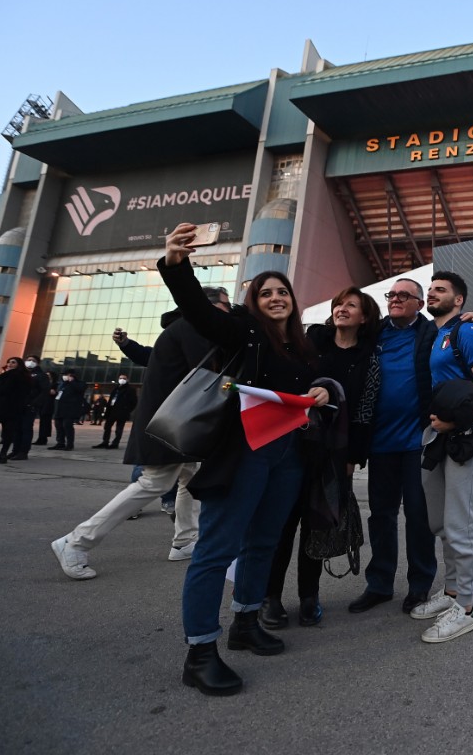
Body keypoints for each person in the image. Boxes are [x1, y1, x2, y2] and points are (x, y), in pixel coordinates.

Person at [161, 222, 331, 697]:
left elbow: (319, 385)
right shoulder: (242, 332)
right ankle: (199, 652)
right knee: (216, 550)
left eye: (283, 292)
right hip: (243, 454)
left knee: (264, 543)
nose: (276, 297)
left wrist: (324, 388)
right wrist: (178, 262)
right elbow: (196, 309)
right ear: (253, 301)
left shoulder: (302, 344)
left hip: (288, 455)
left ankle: (246, 621)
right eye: (266, 293)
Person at [49, 288, 231, 582]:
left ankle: (185, 540)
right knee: (154, 482)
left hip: (173, 421)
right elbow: (212, 373)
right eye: (227, 305)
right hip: (171, 423)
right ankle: (76, 541)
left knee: (190, 476)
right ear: (210, 305)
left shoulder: (183, 328)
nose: (230, 312)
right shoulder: (194, 327)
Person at [261, 286, 381, 630]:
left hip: (333, 454)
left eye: (351, 305)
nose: (342, 309)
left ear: (364, 316)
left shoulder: (369, 356)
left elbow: (364, 409)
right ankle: (269, 598)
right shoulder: (313, 340)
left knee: (316, 526)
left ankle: (309, 596)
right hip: (293, 444)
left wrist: (354, 457)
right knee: (282, 525)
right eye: (339, 304)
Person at [408, 270, 473, 643]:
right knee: (441, 521)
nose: (432, 294)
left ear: (458, 300)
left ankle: (466, 607)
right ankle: (450, 594)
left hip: (466, 435)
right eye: (429, 290)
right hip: (440, 435)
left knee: (461, 524)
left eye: (440, 290)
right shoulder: (437, 335)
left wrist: (454, 423)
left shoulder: (467, 332)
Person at [346, 277, 439, 617]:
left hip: (417, 443)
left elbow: (458, 333)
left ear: (419, 303)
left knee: (418, 517)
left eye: (404, 295)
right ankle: (380, 584)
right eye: (392, 294)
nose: (396, 299)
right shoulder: (372, 334)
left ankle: (419, 585)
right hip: (380, 444)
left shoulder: (431, 334)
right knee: (381, 516)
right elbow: (336, 334)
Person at [11, 355, 51, 461]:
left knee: (26, 429)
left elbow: (44, 391)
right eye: (28, 360)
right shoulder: (21, 373)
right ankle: (15, 450)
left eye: (33, 361)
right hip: (17, 405)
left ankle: (23, 452)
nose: (30, 362)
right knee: (16, 429)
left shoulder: (41, 375)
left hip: (30, 406)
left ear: (37, 363)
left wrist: (34, 404)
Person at [94, 374, 138, 449]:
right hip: (112, 410)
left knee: (119, 429)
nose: (122, 380)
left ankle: (115, 443)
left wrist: (127, 409)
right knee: (107, 427)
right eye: (120, 378)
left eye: (124, 378)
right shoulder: (116, 388)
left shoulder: (130, 389)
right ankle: (105, 442)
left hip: (122, 412)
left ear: (127, 380)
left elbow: (134, 402)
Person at [48, 370, 86, 451]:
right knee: (58, 426)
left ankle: (69, 444)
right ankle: (60, 443)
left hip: (70, 409)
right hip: (59, 408)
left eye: (66, 375)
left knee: (67, 426)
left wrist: (71, 382)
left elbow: (80, 389)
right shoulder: (62, 384)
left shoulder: (80, 383)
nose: (64, 376)